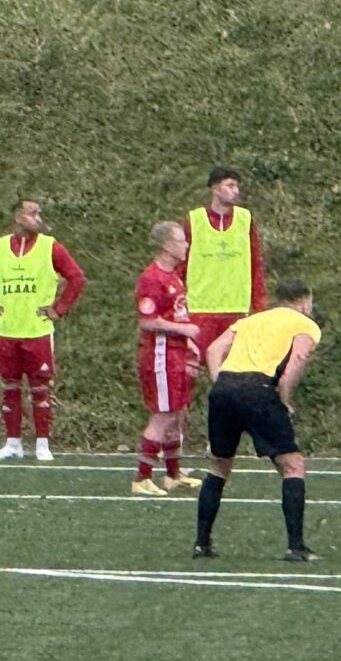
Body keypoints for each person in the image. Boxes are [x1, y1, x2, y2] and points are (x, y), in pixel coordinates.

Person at [195, 281, 320, 563]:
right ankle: (296, 547)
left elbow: (214, 349)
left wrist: (221, 383)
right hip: (259, 389)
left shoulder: (251, 320)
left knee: (218, 465)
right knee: (292, 465)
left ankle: (202, 544)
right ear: (304, 301)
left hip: (225, 387)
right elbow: (297, 360)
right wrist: (284, 398)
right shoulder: (304, 324)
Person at [0, 197, 85, 463]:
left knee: (40, 388)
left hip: (37, 331)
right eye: (32, 213)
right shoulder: (2, 247)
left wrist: (58, 309)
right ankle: (13, 442)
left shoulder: (50, 246)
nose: (37, 218)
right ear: (17, 215)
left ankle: (42, 443)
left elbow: (76, 278)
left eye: (38, 213)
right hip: (7, 330)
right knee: (10, 387)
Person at [133, 220, 202, 496]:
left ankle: (173, 474)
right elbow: (147, 321)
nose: (186, 245)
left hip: (176, 353)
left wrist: (189, 344)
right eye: (181, 240)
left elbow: (176, 313)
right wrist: (184, 330)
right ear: (166, 245)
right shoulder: (152, 278)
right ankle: (142, 478)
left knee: (177, 413)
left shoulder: (173, 275)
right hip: (160, 356)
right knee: (163, 415)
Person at [185, 165, 266, 367]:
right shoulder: (195, 220)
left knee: (234, 369)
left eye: (237, 186)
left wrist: (258, 306)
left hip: (236, 308)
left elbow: (255, 264)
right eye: (230, 186)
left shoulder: (245, 220)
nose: (236, 191)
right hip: (201, 308)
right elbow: (181, 264)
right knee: (193, 367)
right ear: (215, 188)